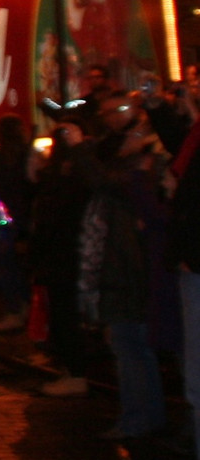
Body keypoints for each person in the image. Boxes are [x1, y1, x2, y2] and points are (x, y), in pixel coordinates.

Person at [78, 130, 168, 441]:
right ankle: (140, 415)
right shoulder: (132, 175)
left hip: (129, 281)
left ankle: (140, 418)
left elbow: (101, 179)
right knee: (130, 350)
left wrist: (81, 146)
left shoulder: (136, 176)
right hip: (126, 279)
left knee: (133, 351)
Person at [30, 114, 96, 396]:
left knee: (65, 313)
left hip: (64, 252)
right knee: (63, 312)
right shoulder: (67, 170)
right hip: (63, 252)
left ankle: (75, 371)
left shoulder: (72, 172)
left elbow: (55, 212)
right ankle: (72, 369)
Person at [0, 114, 34, 333]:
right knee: (24, 265)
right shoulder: (28, 155)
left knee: (4, 264)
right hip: (28, 218)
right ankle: (28, 307)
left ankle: (16, 310)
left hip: (6, 219)